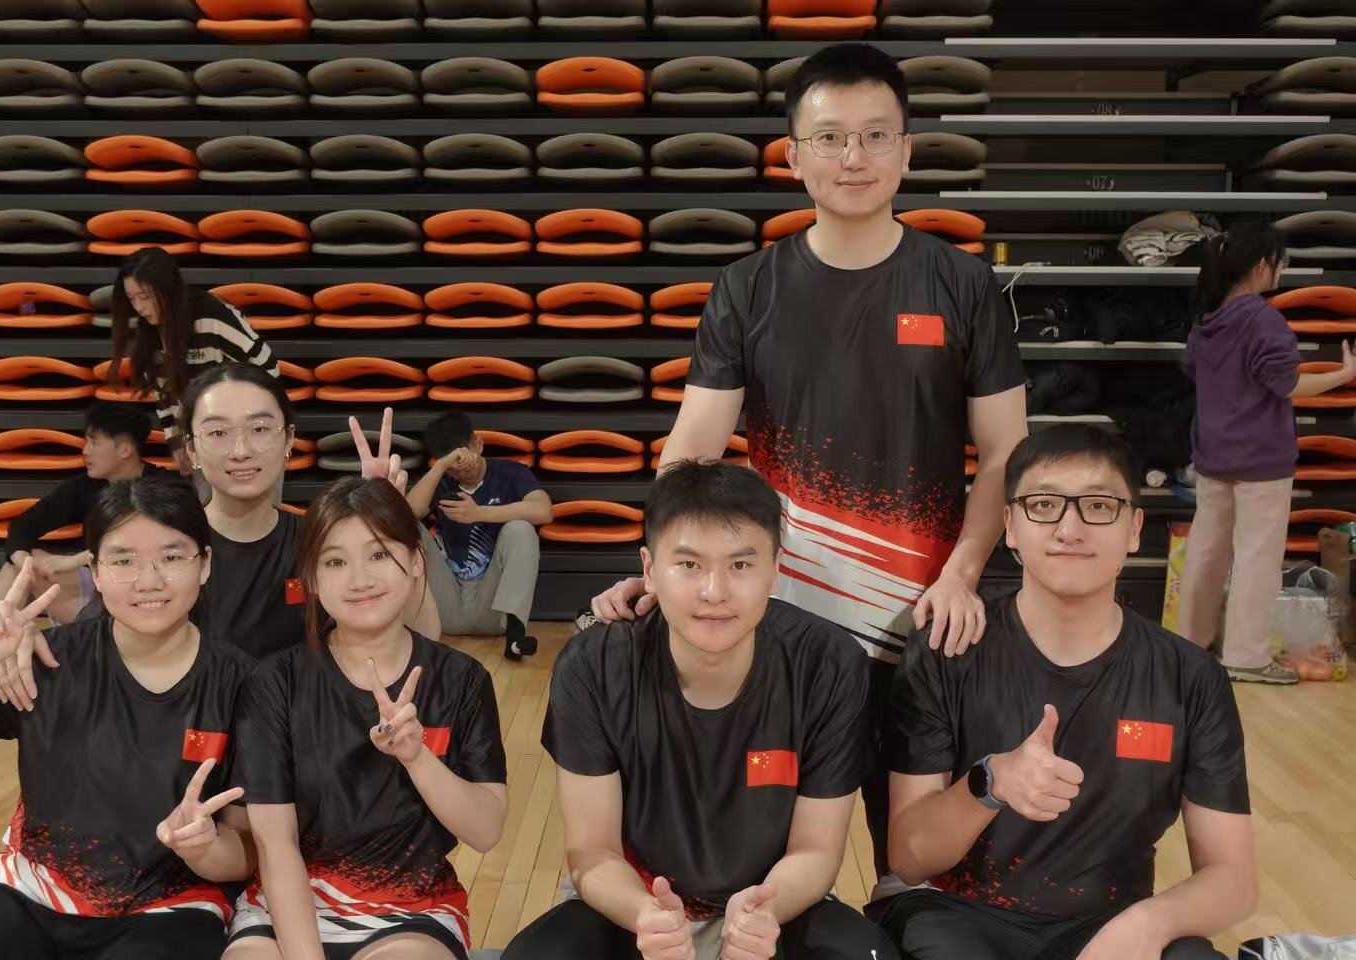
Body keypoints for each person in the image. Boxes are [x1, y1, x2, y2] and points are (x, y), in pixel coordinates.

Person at [587, 41, 1029, 883]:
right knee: (763, 866)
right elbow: (693, 449)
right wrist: (664, 567)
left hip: (927, 621)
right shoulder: (748, 288)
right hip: (781, 622)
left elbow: (1007, 448)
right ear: (793, 156)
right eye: (829, 138)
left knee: (918, 869)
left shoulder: (963, 285)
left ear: (907, 149)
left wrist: (963, 574)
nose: (853, 157)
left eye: (875, 135)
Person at [876, 425, 1256, 960]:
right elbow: (910, 858)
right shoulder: (947, 650)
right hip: (957, 916)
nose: (1070, 529)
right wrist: (990, 784)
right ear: (1010, 526)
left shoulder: (1190, 677)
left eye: (1099, 506)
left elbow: (1232, 877)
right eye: (1044, 505)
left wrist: (1146, 925)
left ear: (1134, 528)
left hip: (1108, 925)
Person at [504, 460, 897, 960]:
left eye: (741, 565)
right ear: (650, 570)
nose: (715, 592)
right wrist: (646, 916)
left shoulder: (829, 665)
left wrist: (762, 914)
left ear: (776, 569)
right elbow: (592, 850)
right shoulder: (594, 666)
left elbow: (815, 850)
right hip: (634, 901)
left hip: (774, 902)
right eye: (689, 565)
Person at [0, 475, 255, 960]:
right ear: (94, 570)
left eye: (172, 556)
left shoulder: (244, 685)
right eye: (123, 560)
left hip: (170, 908)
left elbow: (248, 852)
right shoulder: (44, 662)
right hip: (29, 891)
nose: (149, 580)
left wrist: (206, 849)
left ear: (204, 565)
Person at [0, 368, 440, 703]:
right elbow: (93, 639)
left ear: (288, 440)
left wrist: (391, 526)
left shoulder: (320, 541)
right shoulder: (163, 547)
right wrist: (24, 639)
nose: (240, 450)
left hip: (299, 743)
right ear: (192, 450)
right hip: (189, 746)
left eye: (259, 429)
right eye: (218, 432)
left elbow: (425, 636)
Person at [224, 476, 507, 960]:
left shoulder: (462, 679)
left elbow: (485, 832)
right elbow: (275, 844)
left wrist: (417, 758)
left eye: (378, 554)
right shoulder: (275, 681)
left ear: (416, 561)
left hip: (412, 910)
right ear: (312, 579)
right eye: (335, 561)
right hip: (285, 907)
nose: (360, 579)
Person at [1177, 221, 1356, 684]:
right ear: (1262, 266)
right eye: (1281, 262)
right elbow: (1288, 384)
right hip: (1261, 461)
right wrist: (1343, 375)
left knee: (1205, 555)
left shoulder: (1208, 320)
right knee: (1256, 561)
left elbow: (1193, 370)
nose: (1282, 270)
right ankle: (1245, 657)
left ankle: (1188, 646)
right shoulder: (1263, 319)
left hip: (1214, 456)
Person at [0, 403, 153, 670]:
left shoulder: (162, 489)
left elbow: (144, 552)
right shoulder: (86, 487)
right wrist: (26, 562)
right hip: (96, 590)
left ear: (125, 450)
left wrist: (73, 561)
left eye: (94, 443)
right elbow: (22, 529)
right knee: (24, 563)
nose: (85, 451)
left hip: (135, 600)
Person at [107, 248, 279, 479]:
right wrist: (177, 442)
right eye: (132, 298)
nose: (139, 307)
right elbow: (166, 396)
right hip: (203, 441)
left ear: (168, 289)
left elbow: (268, 369)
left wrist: (242, 424)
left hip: (249, 437)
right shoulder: (150, 332)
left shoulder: (211, 315)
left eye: (145, 297)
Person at [405, 411, 552, 661]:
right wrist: (441, 466)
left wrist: (480, 513)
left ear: (479, 444)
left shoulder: (511, 473)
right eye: (453, 464)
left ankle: (515, 638)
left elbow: (543, 510)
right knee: (407, 528)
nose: (461, 468)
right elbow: (407, 515)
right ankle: (409, 630)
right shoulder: (440, 479)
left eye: (465, 455)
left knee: (521, 528)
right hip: (445, 607)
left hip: (495, 609)